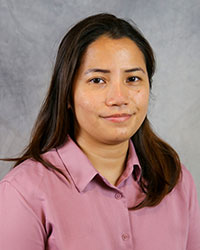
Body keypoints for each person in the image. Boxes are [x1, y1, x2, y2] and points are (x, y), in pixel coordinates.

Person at [0, 13, 199, 250]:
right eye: (97, 80)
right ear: (67, 94)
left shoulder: (174, 179)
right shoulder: (23, 192)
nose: (119, 98)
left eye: (133, 78)